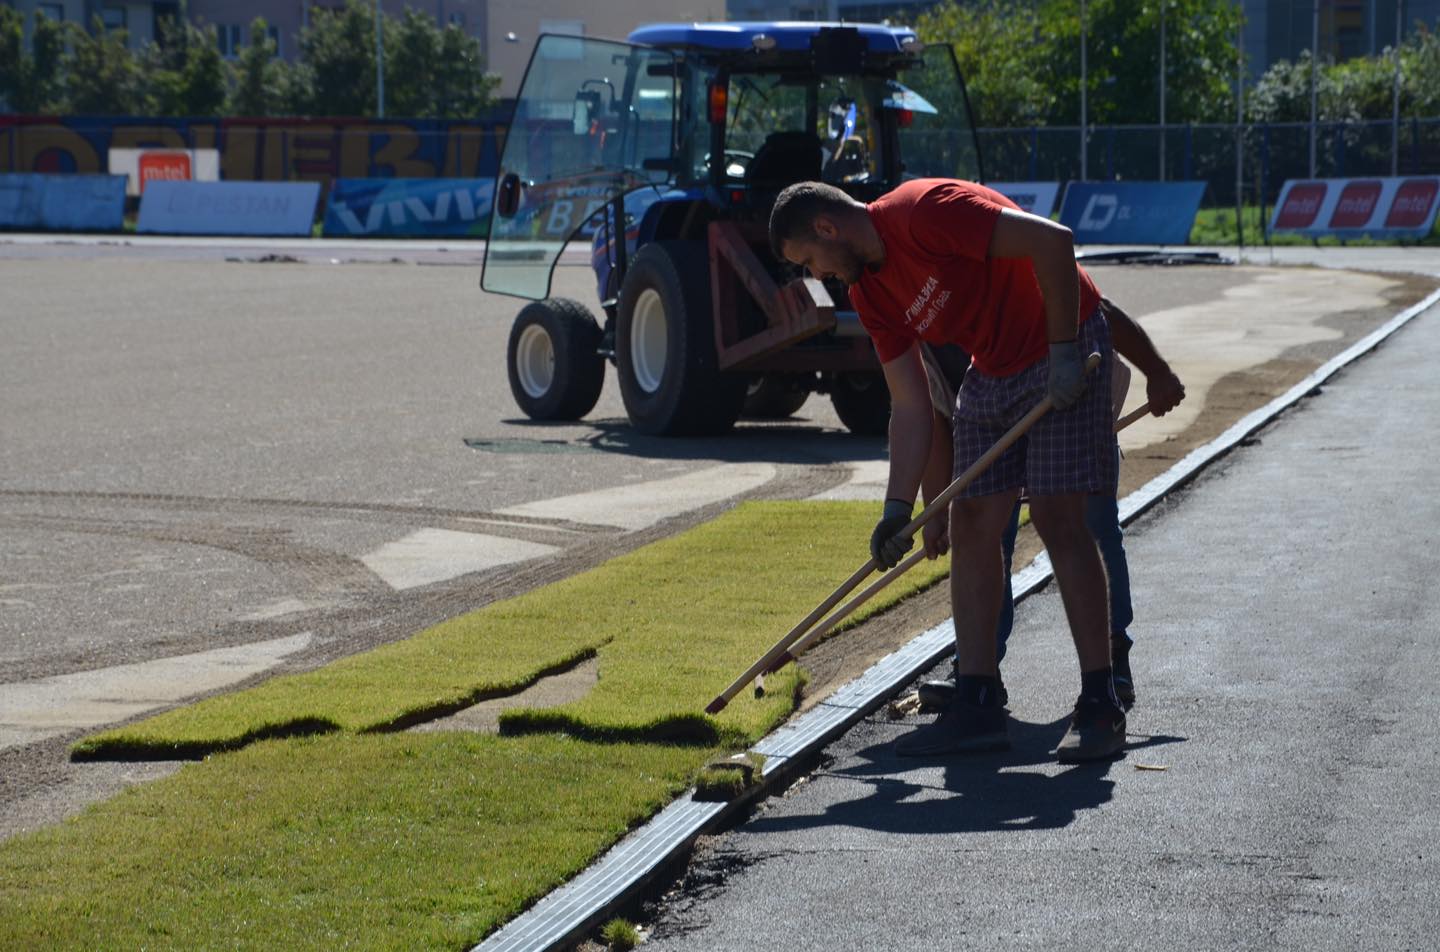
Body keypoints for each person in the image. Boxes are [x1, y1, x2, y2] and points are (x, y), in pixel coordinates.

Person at [770, 179, 1184, 762]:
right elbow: (911, 406)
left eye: (811, 262)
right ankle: (979, 702)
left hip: (1063, 341)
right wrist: (897, 510)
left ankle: (1100, 701)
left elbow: (1055, 245)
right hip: (992, 370)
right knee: (969, 525)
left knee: (1058, 515)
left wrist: (1065, 350)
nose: (823, 278)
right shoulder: (872, 294)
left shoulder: (925, 213)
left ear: (828, 228)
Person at [918, 322, 1177, 711]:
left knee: (1093, 524)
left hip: (1071, 400)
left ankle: (1112, 664)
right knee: (985, 533)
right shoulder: (921, 335)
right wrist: (934, 510)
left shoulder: (1015, 286)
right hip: (993, 425)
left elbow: (1107, 341)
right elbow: (932, 419)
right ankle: (978, 673)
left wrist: (1152, 376)